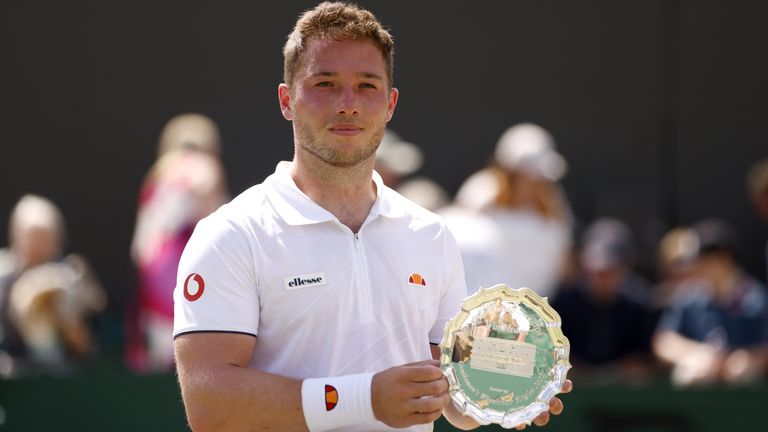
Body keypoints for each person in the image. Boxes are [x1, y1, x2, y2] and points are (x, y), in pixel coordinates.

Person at [172, 3, 570, 431]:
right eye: (325, 84)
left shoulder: (430, 234)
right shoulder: (231, 234)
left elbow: (451, 395)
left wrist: (508, 386)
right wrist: (364, 399)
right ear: (287, 100)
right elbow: (208, 403)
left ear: (390, 103)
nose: (348, 104)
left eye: (367, 85)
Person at [127, 113, 229, 372]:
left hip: (153, 284)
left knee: (162, 366)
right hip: (187, 280)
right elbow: (219, 219)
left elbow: (141, 248)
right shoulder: (202, 167)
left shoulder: (156, 175)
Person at [441, 123, 572, 298]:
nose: (535, 182)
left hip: (533, 308)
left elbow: (564, 260)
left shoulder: (554, 201)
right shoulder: (482, 189)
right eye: (526, 174)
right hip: (482, 306)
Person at [652, 219, 768, 387]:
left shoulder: (757, 299)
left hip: (748, 398)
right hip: (700, 392)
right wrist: (698, 354)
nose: (694, 267)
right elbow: (663, 342)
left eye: (701, 260)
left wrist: (748, 359)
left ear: (722, 259)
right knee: (687, 374)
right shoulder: (690, 296)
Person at [0, 195, 106, 375]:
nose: (36, 244)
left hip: (61, 377)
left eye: (43, 236)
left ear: (57, 239)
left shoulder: (73, 275)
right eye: (30, 236)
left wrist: (62, 316)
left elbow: (87, 347)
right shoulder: (4, 274)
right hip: (13, 376)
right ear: (15, 237)